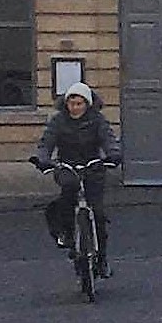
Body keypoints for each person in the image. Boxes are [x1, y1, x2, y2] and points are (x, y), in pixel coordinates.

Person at [31, 84, 122, 264]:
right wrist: (43, 159)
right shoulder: (58, 121)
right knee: (68, 194)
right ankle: (67, 235)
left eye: (79, 104)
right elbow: (46, 143)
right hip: (67, 166)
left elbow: (108, 139)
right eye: (71, 103)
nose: (75, 107)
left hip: (92, 167)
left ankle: (101, 258)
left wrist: (113, 155)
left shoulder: (97, 120)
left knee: (97, 212)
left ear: (87, 104)